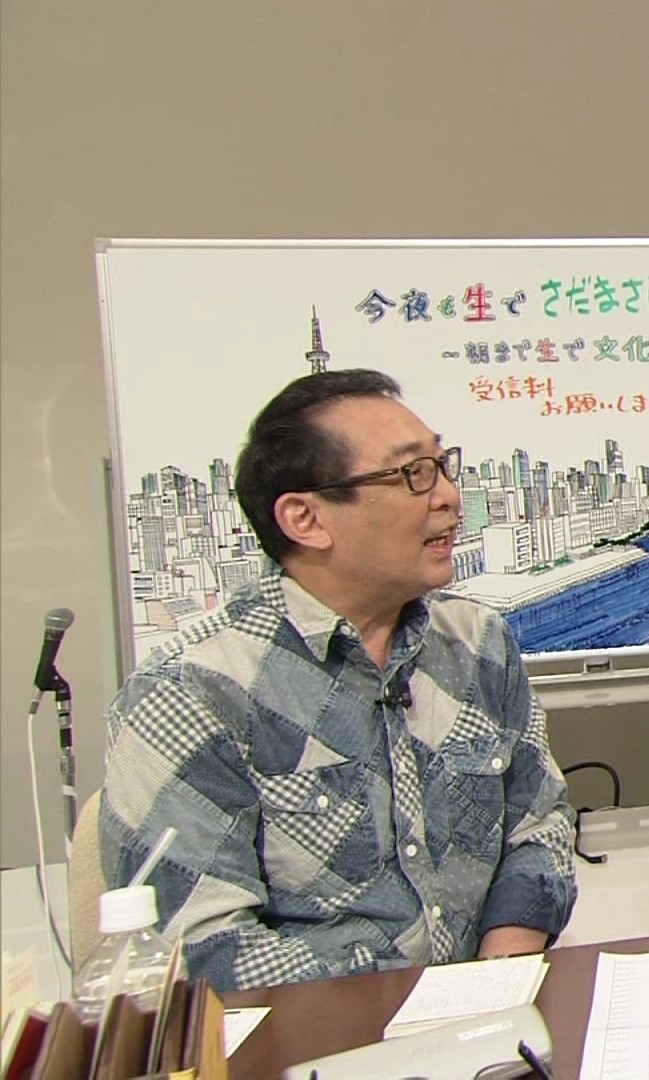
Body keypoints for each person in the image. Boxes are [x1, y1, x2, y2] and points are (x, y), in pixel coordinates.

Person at [98, 369, 577, 991]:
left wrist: (499, 974)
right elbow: (198, 947)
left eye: (442, 465)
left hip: (486, 1011)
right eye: (413, 473)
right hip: (312, 1032)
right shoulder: (190, 691)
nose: (449, 496)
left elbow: (540, 825)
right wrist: (408, 1006)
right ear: (306, 518)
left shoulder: (478, 643)